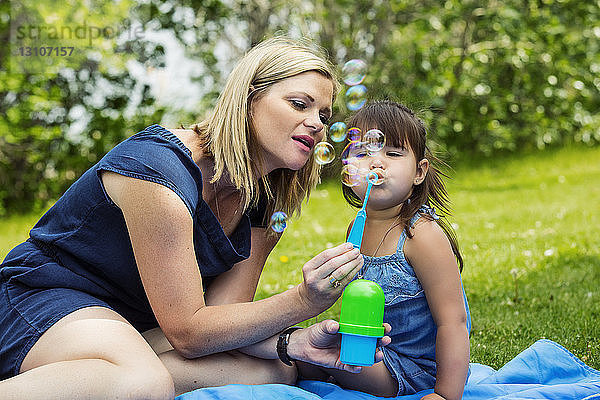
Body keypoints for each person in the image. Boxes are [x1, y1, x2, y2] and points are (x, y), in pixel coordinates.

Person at [0, 37, 392, 399]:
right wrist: (304, 300)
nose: (317, 124)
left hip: (140, 330)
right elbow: (190, 332)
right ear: (248, 99)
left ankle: (93, 380)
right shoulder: (158, 172)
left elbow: (220, 324)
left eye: (324, 115)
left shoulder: (264, 200)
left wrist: (292, 343)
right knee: (145, 382)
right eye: (299, 104)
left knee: (275, 372)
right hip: (47, 300)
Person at [297, 100, 471, 399]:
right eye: (363, 153)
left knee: (307, 353)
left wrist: (445, 394)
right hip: (370, 352)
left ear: (419, 172)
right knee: (302, 351)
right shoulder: (356, 229)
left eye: (392, 153)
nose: (377, 163)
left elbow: (453, 322)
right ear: (349, 171)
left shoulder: (421, 235)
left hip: (416, 369)